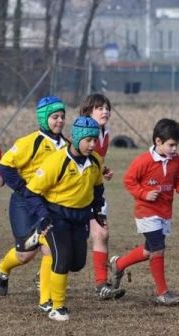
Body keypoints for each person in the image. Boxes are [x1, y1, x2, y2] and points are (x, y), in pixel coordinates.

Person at [24, 116, 105, 321]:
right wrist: (43, 217)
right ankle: (57, 307)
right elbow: (32, 192)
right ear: (74, 138)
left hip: (80, 218)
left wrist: (97, 212)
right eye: (87, 140)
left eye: (95, 140)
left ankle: (41, 238)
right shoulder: (56, 161)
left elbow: (97, 188)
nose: (92, 144)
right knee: (62, 258)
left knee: (77, 263)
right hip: (55, 216)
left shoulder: (95, 161)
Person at [0, 96, 67, 305]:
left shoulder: (67, 145)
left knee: (49, 249)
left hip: (50, 206)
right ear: (44, 118)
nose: (60, 121)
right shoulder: (30, 141)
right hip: (24, 203)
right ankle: (2, 267)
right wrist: (23, 189)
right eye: (55, 117)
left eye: (62, 117)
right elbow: (5, 166)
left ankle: (46, 300)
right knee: (25, 254)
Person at [109, 118, 179, 306]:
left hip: (164, 212)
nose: (174, 149)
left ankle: (118, 264)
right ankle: (162, 293)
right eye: (171, 145)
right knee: (158, 248)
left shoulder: (176, 160)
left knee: (148, 250)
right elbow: (129, 181)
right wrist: (144, 193)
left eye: (176, 145)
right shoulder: (143, 161)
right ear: (158, 142)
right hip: (146, 212)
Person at [79, 93, 125, 300]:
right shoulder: (79, 132)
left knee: (102, 234)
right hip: (75, 195)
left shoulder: (104, 132)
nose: (105, 111)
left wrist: (102, 169)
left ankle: (101, 284)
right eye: (100, 108)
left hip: (95, 193)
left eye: (107, 107)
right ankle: (44, 273)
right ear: (88, 111)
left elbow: (94, 160)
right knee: (70, 242)